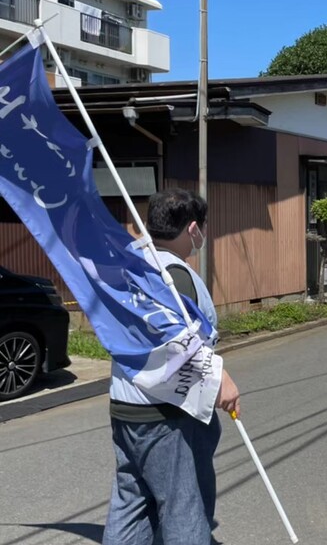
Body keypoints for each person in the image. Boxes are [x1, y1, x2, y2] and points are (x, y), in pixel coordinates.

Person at [104, 188, 241, 545]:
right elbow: (178, 342)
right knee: (184, 508)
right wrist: (220, 376)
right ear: (193, 229)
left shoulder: (129, 265)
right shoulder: (173, 275)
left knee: (131, 504)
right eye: (203, 227)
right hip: (167, 412)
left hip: (125, 403)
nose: (203, 235)